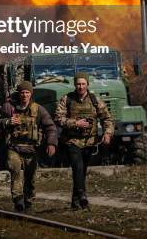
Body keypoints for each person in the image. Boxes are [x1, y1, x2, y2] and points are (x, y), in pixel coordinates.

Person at [0, 81, 57, 213]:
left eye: (27, 92)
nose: (24, 95)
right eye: (22, 92)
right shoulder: (8, 107)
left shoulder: (38, 109)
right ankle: (18, 200)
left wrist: (51, 143)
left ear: (31, 94)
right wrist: (7, 121)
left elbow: (50, 127)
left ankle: (28, 202)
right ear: (19, 93)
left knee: (31, 178)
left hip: (31, 149)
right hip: (14, 147)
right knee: (15, 170)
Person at [54, 72, 114, 210]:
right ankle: (82, 196)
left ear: (87, 84)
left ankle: (75, 203)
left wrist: (107, 133)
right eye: (78, 84)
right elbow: (58, 118)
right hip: (72, 141)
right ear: (75, 85)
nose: (80, 87)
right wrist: (75, 123)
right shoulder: (67, 99)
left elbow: (107, 118)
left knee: (82, 171)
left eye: (83, 84)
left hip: (89, 142)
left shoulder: (95, 100)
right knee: (77, 167)